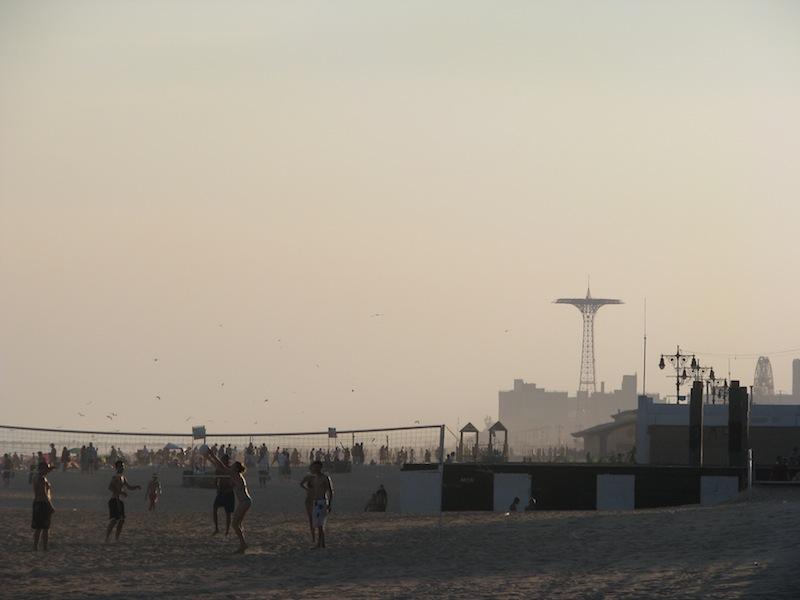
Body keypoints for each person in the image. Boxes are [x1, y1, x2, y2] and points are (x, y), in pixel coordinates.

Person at [203, 449, 251, 553]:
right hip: (245, 502)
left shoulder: (236, 476)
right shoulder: (235, 475)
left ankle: (243, 545)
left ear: (236, 469)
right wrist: (209, 458)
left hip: (244, 502)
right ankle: (243, 545)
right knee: (238, 524)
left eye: (233, 466)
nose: (231, 466)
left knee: (235, 524)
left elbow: (222, 467)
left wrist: (212, 455)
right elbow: (220, 468)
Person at [105, 460, 141, 543]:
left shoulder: (123, 477)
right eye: (121, 466)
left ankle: (116, 539)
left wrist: (136, 487)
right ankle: (107, 538)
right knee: (114, 520)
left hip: (120, 501)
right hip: (114, 500)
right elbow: (110, 487)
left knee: (121, 520)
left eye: (123, 466)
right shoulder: (115, 477)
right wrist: (120, 492)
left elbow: (129, 487)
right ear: (117, 467)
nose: (122, 467)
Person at [305, 460, 333, 548]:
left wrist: (329, 504)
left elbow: (330, 491)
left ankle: (319, 544)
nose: (313, 469)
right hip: (316, 502)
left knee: (320, 524)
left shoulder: (325, 478)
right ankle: (322, 543)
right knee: (318, 524)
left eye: (315, 467)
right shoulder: (314, 478)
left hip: (322, 501)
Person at [32, 461, 55, 551]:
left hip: (37, 503)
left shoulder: (36, 477)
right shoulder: (41, 478)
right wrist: (50, 505)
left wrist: (51, 468)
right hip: (43, 503)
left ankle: (35, 546)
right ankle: (44, 547)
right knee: (45, 527)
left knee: (38, 527)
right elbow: (43, 493)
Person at [212, 454, 235, 536]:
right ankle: (216, 529)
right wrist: (217, 488)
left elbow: (234, 483)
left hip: (229, 493)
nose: (222, 462)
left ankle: (227, 531)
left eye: (224, 460)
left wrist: (229, 488)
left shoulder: (231, 470)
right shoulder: (219, 470)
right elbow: (215, 481)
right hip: (221, 492)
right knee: (215, 509)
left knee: (228, 513)